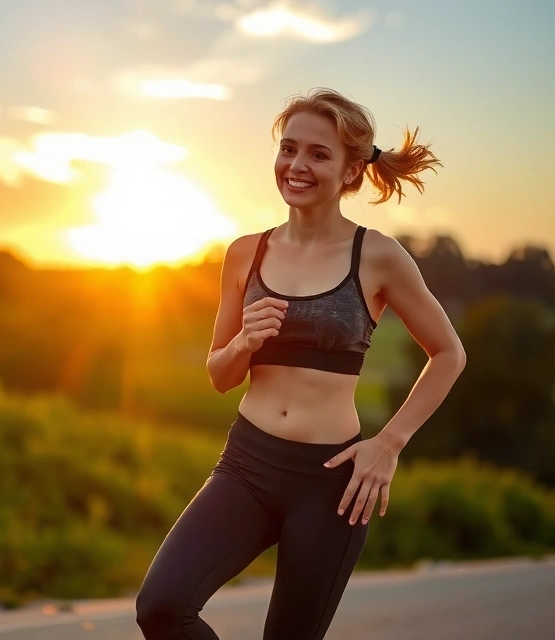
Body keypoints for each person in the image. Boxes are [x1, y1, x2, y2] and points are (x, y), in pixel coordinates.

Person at [135, 88, 467, 639]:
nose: (297, 165)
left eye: (318, 154)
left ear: (351, 172)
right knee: (162, 607)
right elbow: (219, 376)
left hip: (332, 484)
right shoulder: (246, 253)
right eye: (288, 149)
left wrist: (389, 444)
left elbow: (449, 353)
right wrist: (244, 343)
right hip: (246, 466)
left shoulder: (379, 255)